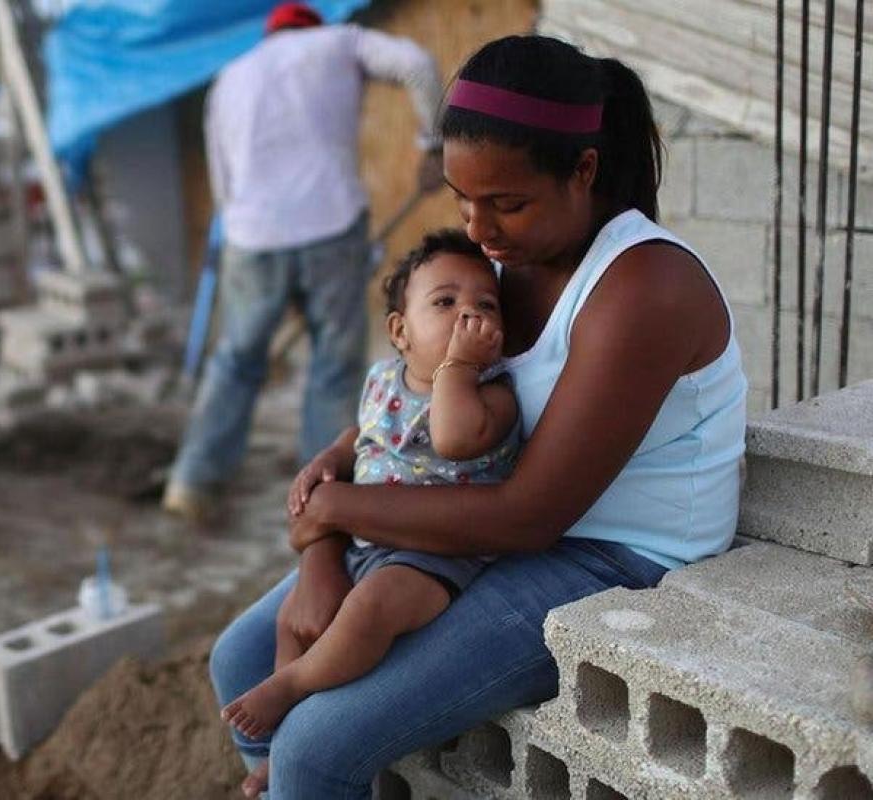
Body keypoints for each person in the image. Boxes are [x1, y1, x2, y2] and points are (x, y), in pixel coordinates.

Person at [209, 34, 748, 799]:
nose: (477, 228)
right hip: (481, 514)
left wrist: (335, 510)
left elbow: (529, 517)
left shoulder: (644, 287)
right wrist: (323, 541)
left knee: (315, 748)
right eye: (462, 200)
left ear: (583, 170)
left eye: (506, 203)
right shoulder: (494, 269)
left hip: (607, 556)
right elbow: (407, 402)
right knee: (240, 660)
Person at [220, 230, 521, 762]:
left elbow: (454, 437)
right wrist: (331, 458)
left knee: (368, 610)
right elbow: (363, 434)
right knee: (292, 620)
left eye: (486, 306)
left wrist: (457, 367)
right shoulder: (384, 379)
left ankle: (292, 686)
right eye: (445, 302)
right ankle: (279, 749)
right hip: (365, 543)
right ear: (400, 331)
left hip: (434, 556)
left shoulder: (493, 396)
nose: (467, 316)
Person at [162, 2, 446, 521]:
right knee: (333, 367)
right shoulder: (341, 42)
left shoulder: (231, 76)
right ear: (313, 27)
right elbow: (417, 64)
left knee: (236, 359)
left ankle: (191, 483)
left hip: (251, 236)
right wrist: (434, 143)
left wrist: (252, 237)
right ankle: (322, 497)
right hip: (331, 227)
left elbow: (222, 181)